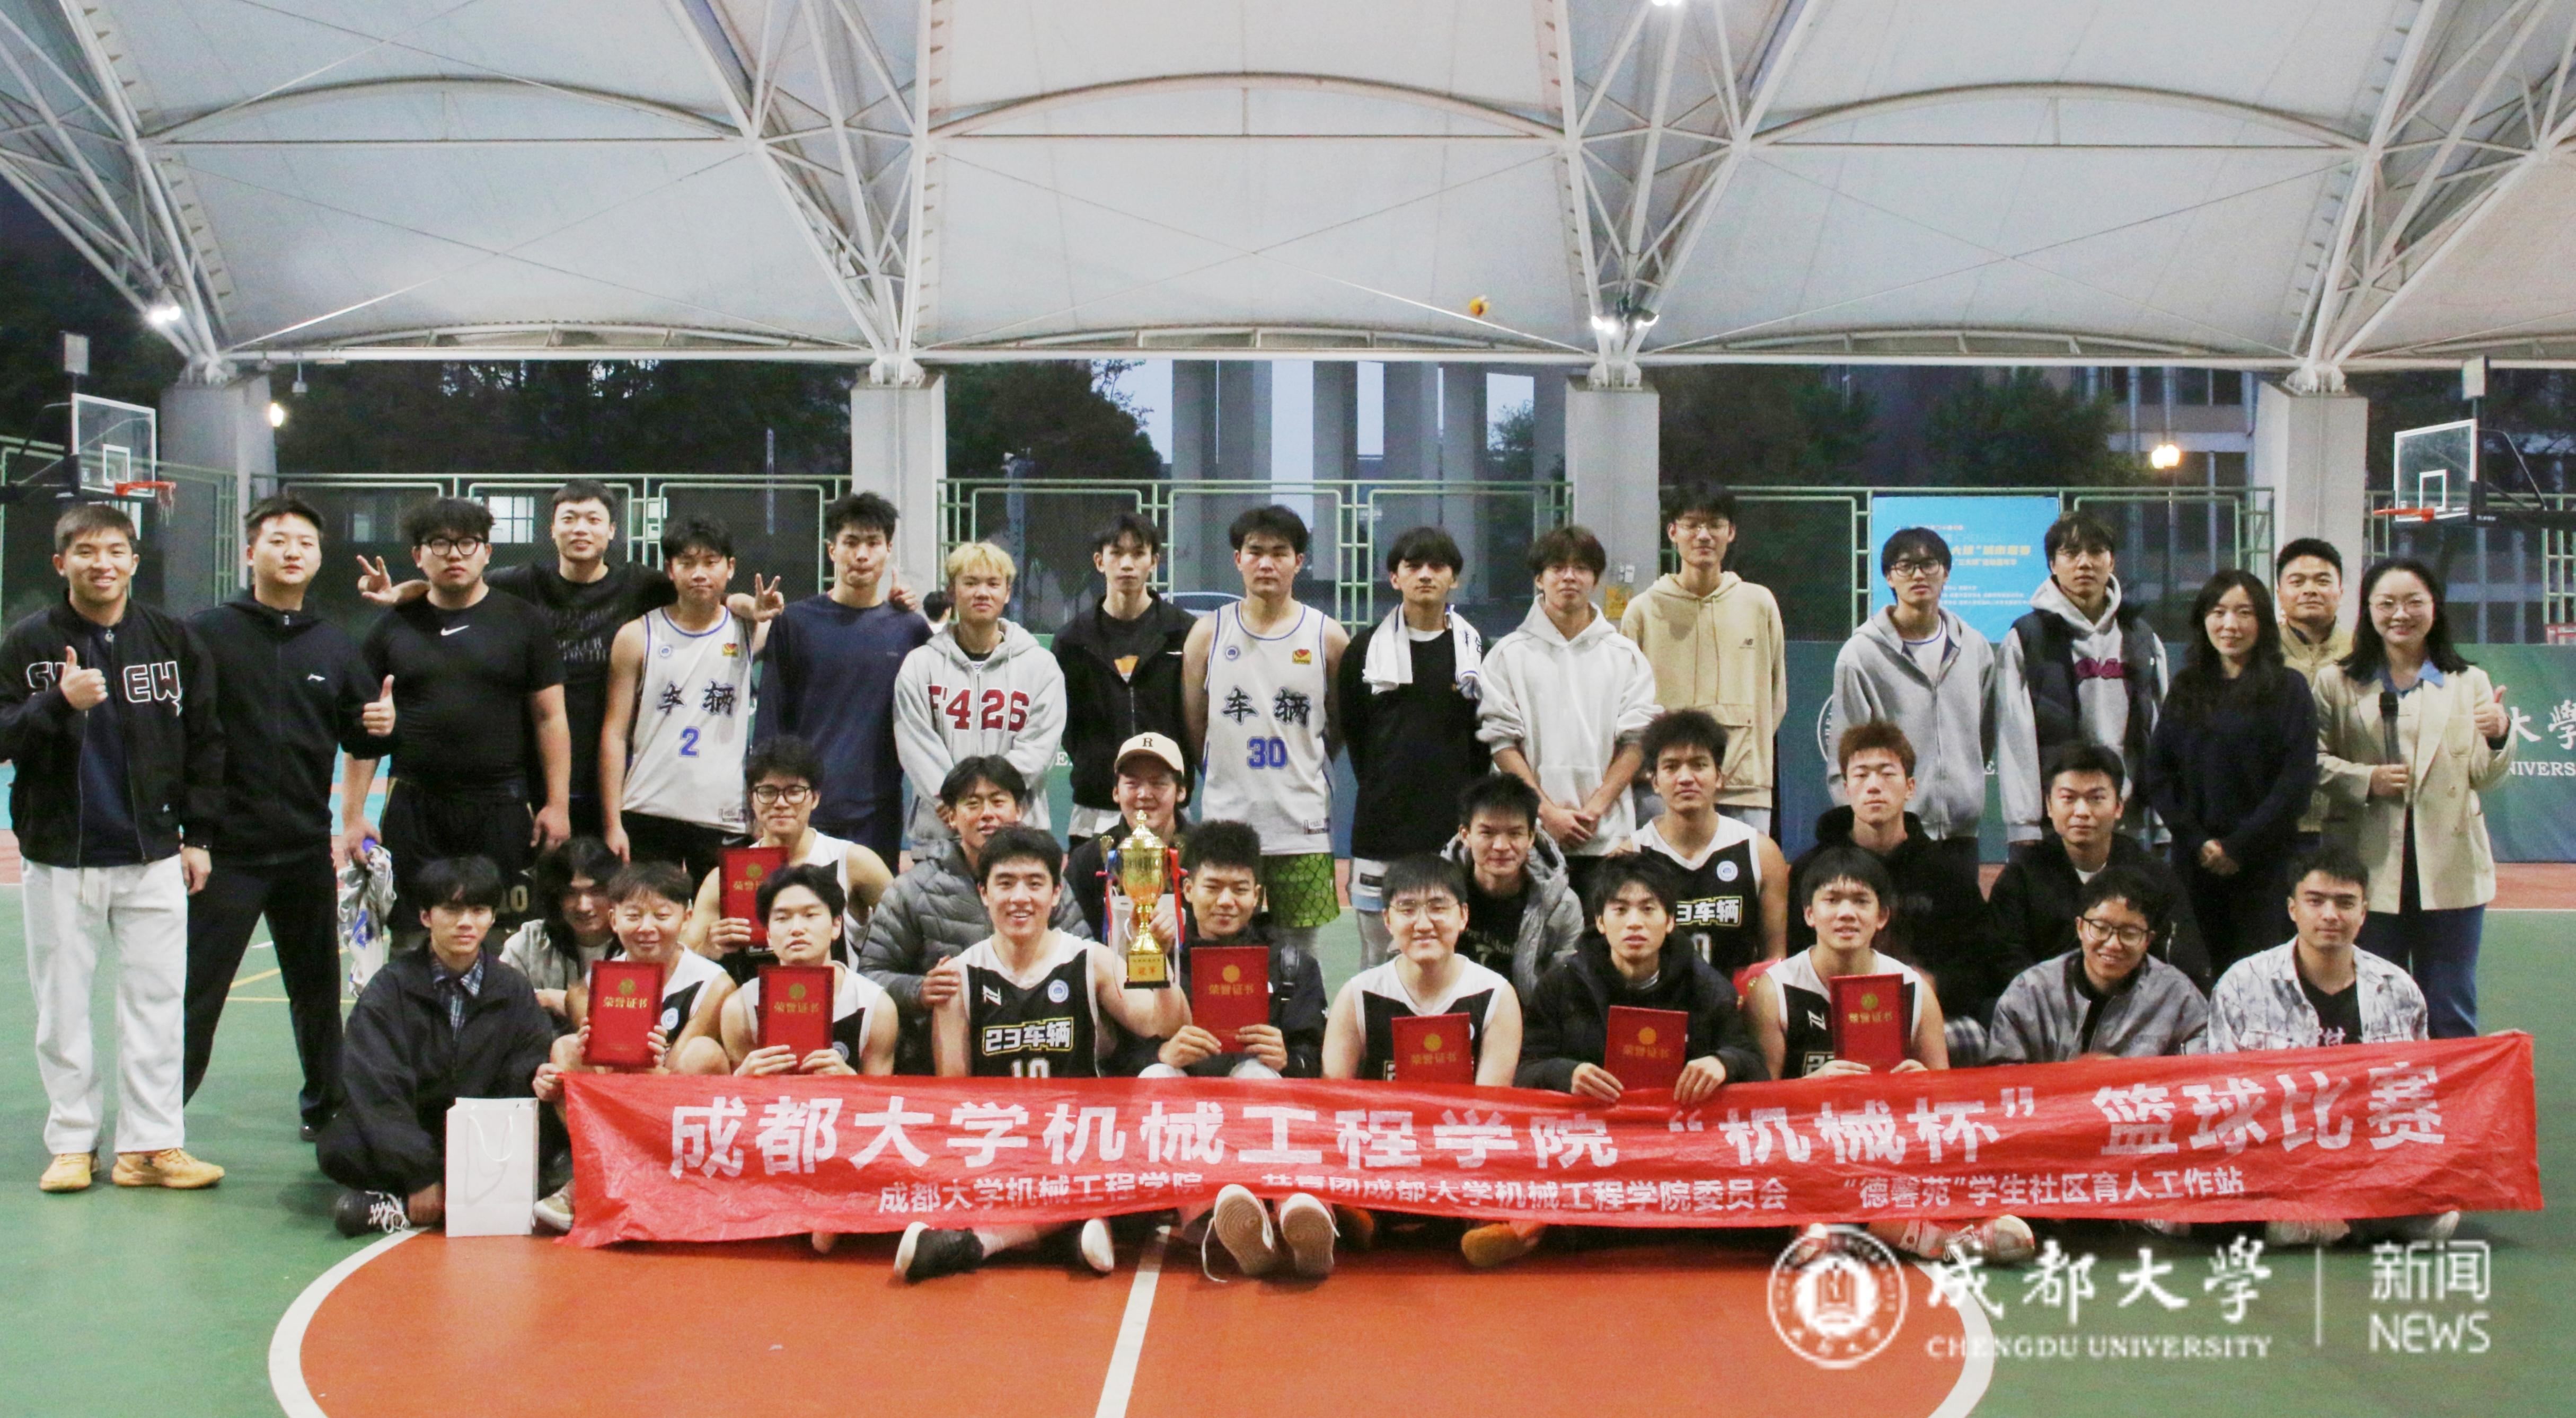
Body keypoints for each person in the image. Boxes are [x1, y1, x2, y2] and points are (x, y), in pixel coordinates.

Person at [3, 502, 226, 1194]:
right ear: (60, 562)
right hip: (58, 853)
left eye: (114, 551)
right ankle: (73, 1144)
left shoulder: (173, 639)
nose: (101, 563)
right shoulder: (26, 643)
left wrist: (199, 836)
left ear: (133, 560)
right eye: (86, 551)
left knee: (158, 1003)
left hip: (153, 853)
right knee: (62, 1008)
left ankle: (149, 1147)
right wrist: (57, 703)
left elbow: (206, 740)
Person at [355, 480, 768, 838]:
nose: (580, 529)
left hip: (614, 769)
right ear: (552, 530)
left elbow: (704, 590)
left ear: (612, 531)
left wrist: (748, 606)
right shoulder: (519, 584)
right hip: (533, 770)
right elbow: (456, 584)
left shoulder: (641, 586)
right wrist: (399, 593)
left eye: (593, 519)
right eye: (569, 519)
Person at [184, 492, 393, 1143]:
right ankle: (156, 1119)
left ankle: (327, 1107)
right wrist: (189, 833)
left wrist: (382, 725)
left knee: (316, 991)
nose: (292, 551)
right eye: (277, 540)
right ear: (251, 553)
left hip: (304, 850)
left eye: (305, 542)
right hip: (226, 852)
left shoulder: (333, 645)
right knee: (196, 992)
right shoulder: (205, 634)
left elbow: (361, 736)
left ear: (319, 557)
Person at [895, 825, 1190, 1281]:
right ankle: (1075, 1230)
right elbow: (954, 1095)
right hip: (1002, 1147)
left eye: (1035, 884)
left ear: (1056, 894)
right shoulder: (960, 976)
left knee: (1152, 1110)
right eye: (1005, 883)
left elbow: (1163, 1024)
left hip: (1081, 1145)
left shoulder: (1091, 961)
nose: (1020, 898)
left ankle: (982, 1242)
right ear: (984, 893)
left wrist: (1161, 962)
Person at [1749, 847, 2035, 1264]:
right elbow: (1757, 1105)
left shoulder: (1912, 987)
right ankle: (1946, 1241)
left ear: (1882, 916)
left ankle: (1829, 1229)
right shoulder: (1774, 990)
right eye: (1832, 900)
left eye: (1860, 901)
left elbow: (1946, 1102)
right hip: (1807, 1143)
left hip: (1888, 1143)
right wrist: (1810, 1089)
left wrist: (1922, 1086)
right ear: (1809, 914)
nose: (1846, 914)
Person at [1494, 854, 1766, 1269]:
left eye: (1648, 909)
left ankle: (1537, 1227)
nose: (1634, 923)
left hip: (1678, 1143)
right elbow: (1524, 1071)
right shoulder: (1562, 984)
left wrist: (1723, 1062)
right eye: (1620, 910)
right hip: (1591, 1143)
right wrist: (1566, 1073)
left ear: (1670, 921)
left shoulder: (1707, 987)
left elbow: (1757, 1068)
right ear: (1600, 923)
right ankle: (1523, 1227)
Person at [2205, 846, 2453, 1247]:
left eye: (2345, 903)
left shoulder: (2399, 989)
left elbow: (2416, 1095)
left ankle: (2320, 1223)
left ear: (2364, 912)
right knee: (2205, 1197)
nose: (2331, 915)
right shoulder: (2242, 983)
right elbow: (2221, 1093)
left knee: (2439, 1218)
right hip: (2275, 1155)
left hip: (2366, 1156)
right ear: (2292, 909)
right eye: (2316, 901)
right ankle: (2343, 1223)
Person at [2312, 559, 2513, 1039]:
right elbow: (2311, 761)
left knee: (2449, 1004)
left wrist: (2499, 735)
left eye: (2413, 602)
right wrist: (2367, 780)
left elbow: (2483, 776)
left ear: (2435, 608)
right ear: (2368, 610)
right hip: (2367, 864)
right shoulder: (2335, 682)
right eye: (2387, 603)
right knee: (2371, 1004)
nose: (2400, 614)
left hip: (2450, 868)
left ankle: (2449, 1089)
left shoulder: (2469, 681)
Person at [350, 497, 570, 926]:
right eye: (439, 543)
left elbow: (551, 718)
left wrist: (557, 804)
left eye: (467, 543)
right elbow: (365, 728)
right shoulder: (390, 628)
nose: (454, 554)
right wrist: (353, 816)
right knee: (413, 934)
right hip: (414, 805)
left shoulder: (524, 622)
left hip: (502, 803)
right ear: (418, 556)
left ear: (487, 552)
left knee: (505, 936)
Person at [319, 856, 556, 1235]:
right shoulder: (389, 990)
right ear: (426, 917)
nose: (466, 923)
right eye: (452, 910)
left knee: (552, 1133)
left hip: (482, 1135)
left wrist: (539, 1078)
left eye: (478, 911)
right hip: (415, 1129)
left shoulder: (512, 988)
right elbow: (378, 1088)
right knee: (340, 1145)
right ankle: (457, 1199)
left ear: (492, 918)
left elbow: (525, 1068)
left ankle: (397, 1206)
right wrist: (419, 1173)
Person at [1322, 853, 1524, 1268]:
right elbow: (1334, 1099)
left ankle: (1484, 1224)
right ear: (1387, 920)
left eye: (1438, 907)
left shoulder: (1496, 994)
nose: (1424, 923)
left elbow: (1491, 1105)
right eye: (1408, 909)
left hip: (1462, 1149)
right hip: (1385, 1146)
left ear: (1463, 916)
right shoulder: (1358, 994)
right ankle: (1363, 1212)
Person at [1183, 505, 1349, 956]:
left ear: (1299, 561)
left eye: (1280, 553)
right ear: (1238, 559)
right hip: (1228, 823)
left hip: (1302, 826)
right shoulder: (1208, 634)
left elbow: (1337, 727)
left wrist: (1306, 764)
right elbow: (1197, 727)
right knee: (1225, 951)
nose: (1267, 563)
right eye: (1255, 552)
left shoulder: (1328, 637)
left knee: (1300, 957)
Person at [708, 864, 897, 1254]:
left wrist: (853, 1084)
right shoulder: (740, 1006)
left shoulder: (876, 1005)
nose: (797, 928)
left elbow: (884, 1111)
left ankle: (821, 1209)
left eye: (811, 916)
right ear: (767, 932)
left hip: (840, 1138)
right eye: (782, 918)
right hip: (774, 1136)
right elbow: (734, 1115)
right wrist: (742, 1082)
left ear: (836, 925)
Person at [858, 757, 1090, 1073]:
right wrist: (919, 990)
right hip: (935, 1057)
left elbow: (1085, 963)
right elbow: (869, 976)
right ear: (951, 816)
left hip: (1042, 1047)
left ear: (1020, 810)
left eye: (998, 801)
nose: (987, 814)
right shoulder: (913, 889)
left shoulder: (1046, 884)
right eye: (973, 803)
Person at [2142, 571, 2317, 976]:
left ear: (2263, 622)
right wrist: (2197, 840)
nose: (2230, 624)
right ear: (2203, 619)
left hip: (2265, 866)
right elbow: (2159, 773)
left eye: (2244, 613)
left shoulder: (2288, 689)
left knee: (2261, 978)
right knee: (2193, 975)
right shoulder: (2187, 686)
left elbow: (2295, 782)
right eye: (2218, 612)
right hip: (2194, 864)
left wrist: (2238, 846)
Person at [1789, 722, 2007, 1041]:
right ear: (1846, 788)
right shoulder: (1813, 869)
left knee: (1972, 1038)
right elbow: (1794, 957)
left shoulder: (1946, 872)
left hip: (1928, 1014)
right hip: (1830, 1014)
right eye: (1862, 775)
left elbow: (1980, 966)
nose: (1874, 786)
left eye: (1887, 774)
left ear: (1910, 787)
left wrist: (1931, 984)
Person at [1479, 525, 1660, 900]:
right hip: (1529, 838)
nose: (1569, 577)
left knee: (1604, 933)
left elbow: (1638, 741)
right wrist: (1545, 812)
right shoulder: (1508, 655)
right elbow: (1501, 743)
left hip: (1608, 837)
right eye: (1557, 567)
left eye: (1581, 568)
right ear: (1539, 579)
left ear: (1595, 579)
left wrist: (1595, 810)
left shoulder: (1625, 655)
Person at [752, 492, 932, 864]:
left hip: (878, 813)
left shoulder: (911, 630)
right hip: (803, 809)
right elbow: (770, 721)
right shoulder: (795, 623)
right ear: (832, 550)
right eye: (851, 542)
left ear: (888, 550)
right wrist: (764, 801)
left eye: (873, 543)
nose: (862, 554)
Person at [1342, 525, 1490, 961]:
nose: (1425, 575)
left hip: (1451, 832)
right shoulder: (1364, 650)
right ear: (1395, 577)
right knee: (1378, 956)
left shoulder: (1476, 652)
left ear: (1454, 578)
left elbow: (1482, 744)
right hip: (1381, 829)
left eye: (1437, 566)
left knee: (1451, 951)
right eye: (1413, 566)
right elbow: (1356, 735)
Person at [598, 514, 769, 883]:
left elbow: (758, 609)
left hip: (724, 813)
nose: (699, 574)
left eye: (711, 562)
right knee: (649, 913)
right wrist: (613, 823)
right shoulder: (636, 636)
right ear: (670, 570)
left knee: (728, 919)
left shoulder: (750, 628)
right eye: (688, 563)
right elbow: (614, 733)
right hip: (648, 808)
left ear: (730, 568)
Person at [1998, 510, 2170, 850]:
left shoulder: (2141, 637)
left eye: (2095, 552)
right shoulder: (2027, 638)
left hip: (2126, 819)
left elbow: (2161, 732)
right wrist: (2024, 825)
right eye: (2071, 553)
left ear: (2112, 562)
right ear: (2052, 564)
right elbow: (2014, 736)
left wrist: (2163, 821)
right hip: (2056, 822)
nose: (2085, 563)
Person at [1620, 484, 1787, 834]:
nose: (1704, 535)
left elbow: (1775, 699)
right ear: (1672, 532)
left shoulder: (1759, 604)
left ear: (1731, 532)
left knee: (1746, 870)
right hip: (1662, 789)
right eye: (1692, 524)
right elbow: (1626, 705)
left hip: (1744, 788)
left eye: (1714, 525)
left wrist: (1742, 756)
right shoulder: (1643, 611)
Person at [1832, 526, 1995, 872]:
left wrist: (1963, 787)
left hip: (1961, 833)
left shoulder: (1975, 647)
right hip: (1891, 833)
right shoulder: (1860, 654)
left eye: (1929, 564)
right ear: (1889, 578)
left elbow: (1984, 736)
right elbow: (1846, 753)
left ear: (1946, 573)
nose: (1919, 575)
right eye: (1905, 566)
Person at [1988, 744, 2209, 987]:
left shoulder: (2154, 876)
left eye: (2096, 799)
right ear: (2049, 806)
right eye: (2068, 798)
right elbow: (2006, 963)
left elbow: (2184, 962)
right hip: (2045, 1004)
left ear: (2119, 807)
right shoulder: (2022, 876)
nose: (2082, 812)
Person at [894, 540, 1068, 848]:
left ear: (1008, 592)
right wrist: (954, 802)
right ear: (951, 592)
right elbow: (915, 743)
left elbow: (1039, 746)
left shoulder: (1040, 665)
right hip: (942, 835)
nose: (982, 593)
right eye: (971, 583)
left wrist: (995, 805)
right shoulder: (921, 665)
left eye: (993, 584)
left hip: (1018, 834)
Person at [1134, 820, 1328, 1082]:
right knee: (1159, 1074)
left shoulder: (1292, 967)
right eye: (1213, 888)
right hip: (1180, 1102)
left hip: (1256, 1099)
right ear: (1188, 890)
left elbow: (1315, 1062)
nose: (1226, 901)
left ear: (1256, 896)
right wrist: (1162, 1054)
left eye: (1240, 890)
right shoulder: (1158, 958)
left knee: (1256, 1074)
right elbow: (1117, 1056)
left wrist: (1286, 1061)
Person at [684, 735, 892, 978]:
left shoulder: (854, 862)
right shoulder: (724, 878)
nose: (781, 803)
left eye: (794, 792)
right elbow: (684, 964)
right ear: (752, 799)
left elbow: (904, 935)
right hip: (752, 999)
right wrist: (707, 949)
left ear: (815, 798)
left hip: (836, 999)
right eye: (768, 792)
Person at [1054, 512, 1197, 845]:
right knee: (1092, 881)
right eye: (1117, 553)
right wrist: (1096, 766)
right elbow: (1068, 727)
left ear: (1154, 562)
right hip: (1095, 808)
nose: (1127, 565)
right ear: (1099, 561)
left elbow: (1195, 717)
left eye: (1138, 553)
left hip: (1167, 807)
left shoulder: (1185, 632)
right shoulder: (1072, 640)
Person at [1986, 866, 2208, 1064]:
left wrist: (2126, 1076)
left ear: (2148, 940)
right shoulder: (2030, 992)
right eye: (2100, 928)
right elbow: (2003, 1078)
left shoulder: (2178, 996)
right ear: (2080, 928)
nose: (2113, 944)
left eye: (2130, 933)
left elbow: (2199, 1074)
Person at [1626, 710, 1788, 978]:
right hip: (1658, 1002)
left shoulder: (1761, 853)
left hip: (1737, 1000)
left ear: (1719, 776)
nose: (1685, 778)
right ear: (1654, 781)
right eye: (1671, 767)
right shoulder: (1630, 855)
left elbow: (1775, 962)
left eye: (1699, 765)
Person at [1440, 773, 1583, 998]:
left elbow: (1566, 986)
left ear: (1531, 837)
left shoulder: (1562, 904)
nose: (1501, 846)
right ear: (1465, 835)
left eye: (1515, 834)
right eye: (1487, 833)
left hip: (1529, 1013)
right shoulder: (1437, 891)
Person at [1064, 732, 1189, 943]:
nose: (1144, 794)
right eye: (1132, 784)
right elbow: (1068, 937)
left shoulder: (1205, 854)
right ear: (1115, 792)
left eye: (1158, 783)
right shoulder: (1089, 860)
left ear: (1181, 792)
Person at [498, 836, 622, 1028]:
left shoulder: (638, 941)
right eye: (571, 893)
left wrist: (566, 1002)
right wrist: (543, 998)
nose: (583, 906)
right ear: (555, 896)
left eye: (596, 892)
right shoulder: (529, 941)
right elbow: (499, 999)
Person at [2275, 537, 2351, 850]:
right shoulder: (2258, 654)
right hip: (2273, 822)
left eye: (2322, 581)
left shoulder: (2364, 654)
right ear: (2279, 592)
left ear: (2341, 592)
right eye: (2298, 582)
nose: (2310, 590)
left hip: (2347, 820)